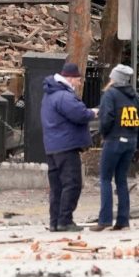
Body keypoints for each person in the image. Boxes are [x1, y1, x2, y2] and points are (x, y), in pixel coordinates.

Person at [90, 64, 139, 231]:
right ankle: (123, 220)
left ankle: (105, 219)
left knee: (105, 179)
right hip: (131, 142)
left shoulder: (110, 95)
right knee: (121, 180)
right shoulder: (135, 97)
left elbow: (106, 118)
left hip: (114, 140)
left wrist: (103, 134)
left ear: (115, 79)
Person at [41, 62, 97, 232]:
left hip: (52, 146)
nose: (80, 84)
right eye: (79, 80)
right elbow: (79, 114)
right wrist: (93, 112)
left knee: (57, 186)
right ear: (71, 79)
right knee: (72, 184)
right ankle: (65, 220)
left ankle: (55, 221)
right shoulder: (64, 96)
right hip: (66, 146)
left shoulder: (50, 94)